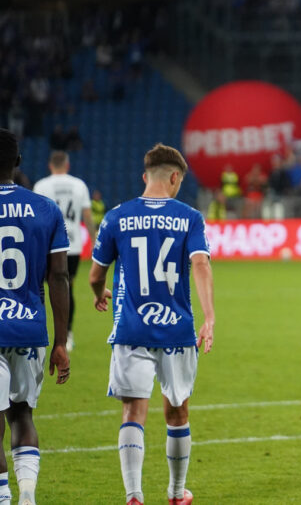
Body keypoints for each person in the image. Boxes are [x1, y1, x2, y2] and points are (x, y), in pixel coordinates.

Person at [89, 144, 215, 505]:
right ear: (174, 177)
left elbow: (96, 274)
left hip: (131, 329)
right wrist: (209, 317)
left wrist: (100, 292)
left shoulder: (116, 216)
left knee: (133, 411)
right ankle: (176, 493)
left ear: (146, 176)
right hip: (176, 330)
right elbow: (202, 265)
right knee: (177, 410)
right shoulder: (189, 217)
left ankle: (134, 495)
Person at [0, 128, 71, 505]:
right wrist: (61, 341)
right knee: (23, 415)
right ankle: (27, 495)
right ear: (18, 164)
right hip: (29, 328)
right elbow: (58, 275)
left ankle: (3, 498)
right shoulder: (45, 209)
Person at [33, 151, 93, 351]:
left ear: (50, 166)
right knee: (67, 289)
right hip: (72, 246)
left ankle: (38, 331)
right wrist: (94, 243)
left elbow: (36, 219)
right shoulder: (79, 185)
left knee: (39, 289)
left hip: (47, 246)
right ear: (67, 165)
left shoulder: (41, 186)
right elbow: (87, 216)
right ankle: (67, 334)